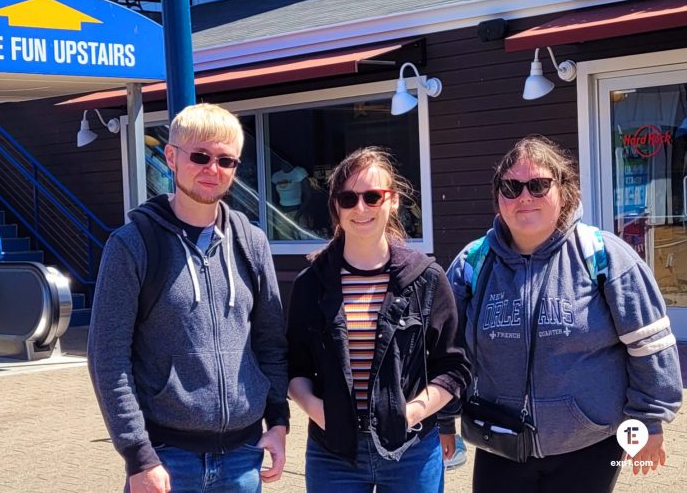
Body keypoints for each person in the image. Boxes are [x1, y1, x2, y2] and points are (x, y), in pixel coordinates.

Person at [441, 135, 683, 493]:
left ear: (564, 190)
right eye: (511, 186)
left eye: (538, 185)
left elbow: (651, 344)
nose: (524, 196)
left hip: (589, 443)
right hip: (500, 438)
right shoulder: (472, 264)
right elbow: (448, 352)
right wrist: (445, 419)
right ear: (498, 197)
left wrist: (649, 422)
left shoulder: (606, 257)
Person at [88, 103, 289, 493]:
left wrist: (278, 422)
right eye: (200, 156)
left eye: (226, 160)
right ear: (171, 157)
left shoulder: (252, 243)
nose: (212, 169)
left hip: (243, 459)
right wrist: (138, 456)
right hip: (165, 459)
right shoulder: (132, 245)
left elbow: (271, 342)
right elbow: (108, 359)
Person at [286, 146, 470, 493]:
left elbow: (454, 367)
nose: (361, 208)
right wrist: (317, 411)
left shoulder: (426, 279)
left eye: (373, 196)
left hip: (411, 450)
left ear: (393, 200)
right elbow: (294, 366)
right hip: (333, 451)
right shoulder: (312, 283)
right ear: (335, 206)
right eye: (348, 198)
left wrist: (411, 413)